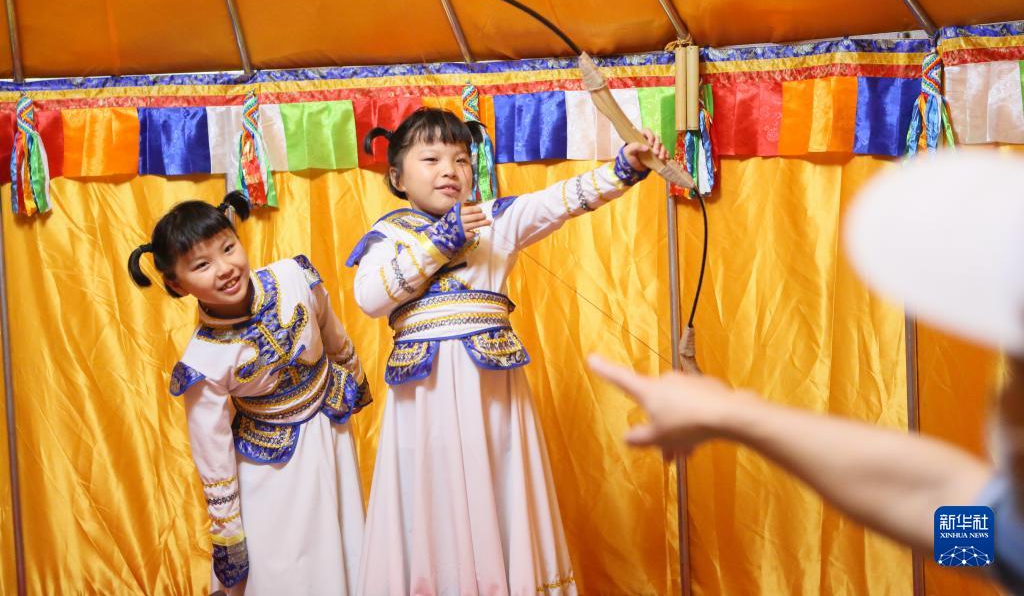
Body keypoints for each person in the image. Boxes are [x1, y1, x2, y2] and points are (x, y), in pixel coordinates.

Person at [588, 151, 1024, 593]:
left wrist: (731, 414)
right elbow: (934, 502)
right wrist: (730, 413)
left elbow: (936, 501)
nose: (1003, 399)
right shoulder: (1011, 536)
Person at [346, 107, 668, 595]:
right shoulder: (386, 238)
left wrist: (625, 167)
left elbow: (562, 200)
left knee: (498, 487)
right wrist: (440, 242)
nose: (450, 170)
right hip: (424, 403)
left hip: (491, 396)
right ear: (397, 177)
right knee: (430, 499)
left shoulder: (496, 219)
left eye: (461, 159)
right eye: (431, 159)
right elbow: (371, 297)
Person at [127, 191, 371, 595]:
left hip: (330, 432)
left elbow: (329, 324)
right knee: (286, 562)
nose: (224, 269)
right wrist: (227, 532)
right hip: (271, 467)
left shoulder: (292, 276)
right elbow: (212, 452)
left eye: (228, 248)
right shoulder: (202, 360)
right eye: (202, 265)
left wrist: (353, 374)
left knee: (344, 544)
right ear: (176, 283)